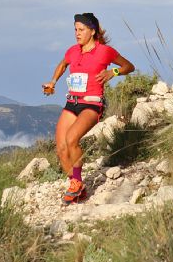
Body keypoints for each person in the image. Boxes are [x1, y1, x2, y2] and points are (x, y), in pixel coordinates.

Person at [42, 13, 134, 204]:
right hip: (72, 102)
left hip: (92, 103)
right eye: (75, 29)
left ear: (92, 31)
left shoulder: (105, 51)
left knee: (71, 139)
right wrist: (53, 82)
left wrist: (112, 71)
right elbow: (63, 63)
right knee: (61, 149)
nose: (77, 33)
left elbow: (128, 66)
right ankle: (77, 185)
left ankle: (76, 184)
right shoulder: (73, 51)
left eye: (81, 30)